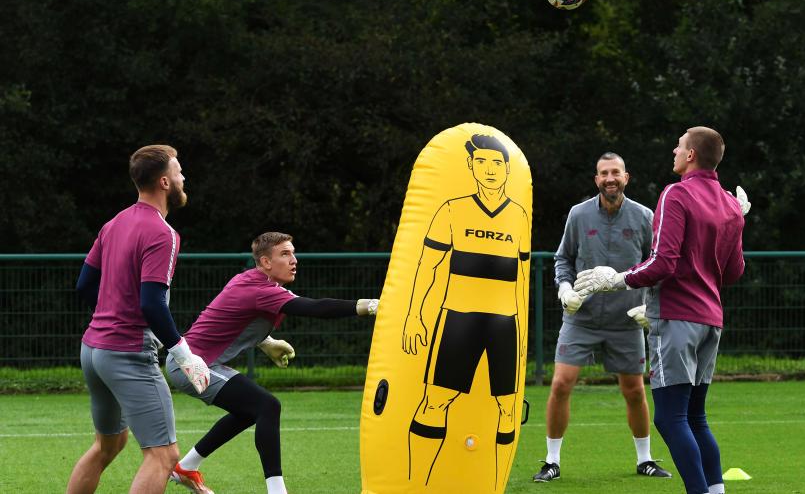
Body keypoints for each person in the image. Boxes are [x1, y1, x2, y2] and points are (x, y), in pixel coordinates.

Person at [575, 127, 746, 494]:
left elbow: (663, 262)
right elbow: (733, 272)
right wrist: (738, 223)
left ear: (690, 157)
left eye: (680, 145)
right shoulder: (731, 203)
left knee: (670, 418)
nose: (674, 148)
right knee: (696, 417)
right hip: (711, 320)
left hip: (677, 317)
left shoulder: (676, 194)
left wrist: (616, 279)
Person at [165, 231, 379, 494]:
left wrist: (266, 342)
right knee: (267, 406)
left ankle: (186, 467)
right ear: (266, 262)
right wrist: (372, 306)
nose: (294, 260)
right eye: (285, 254)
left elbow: (231, 319)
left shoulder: (252, 281)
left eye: (293, 252)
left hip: (197, 362)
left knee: (250, 411)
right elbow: (316, 308)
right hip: (190, 366)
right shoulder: (260, 289)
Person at [68, 144, 210, 494]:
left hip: (93, 351)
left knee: (108, 446)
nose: (183, 177)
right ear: (164, 182)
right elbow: (151, 304)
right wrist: (184, 354)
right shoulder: (164, 234)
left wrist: (110, 316)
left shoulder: (114, 222)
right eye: (178, 171)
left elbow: (84, 284)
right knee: (163, 454)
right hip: (128, 353)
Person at [532, 152, 672, 483]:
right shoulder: (578, 215)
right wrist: (565, 290)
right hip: (581, 317)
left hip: (627, 319)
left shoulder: (644, 216)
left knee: (635, 390)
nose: (610, 178)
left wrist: (649, 308)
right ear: (596, 180)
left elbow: (660, 265)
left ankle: (645, 460)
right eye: (603, 173)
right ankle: (552, 461)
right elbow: (563, 259)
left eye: (616, 173)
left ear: (626, 178)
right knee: (561, 383)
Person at [401, 133, 530, 491]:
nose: (490, 170)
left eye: (497, 164)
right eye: (483, 162)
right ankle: (417, 484)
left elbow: (521, 280)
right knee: (435, 400)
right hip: (458, 319)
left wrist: (522, 332)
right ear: (472, 167)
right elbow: (427, 267)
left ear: (507, 170)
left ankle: (493, 485)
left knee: (508, 408)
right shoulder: (453, 210)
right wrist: (415, 316)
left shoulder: (518, 215)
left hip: (505, 324)